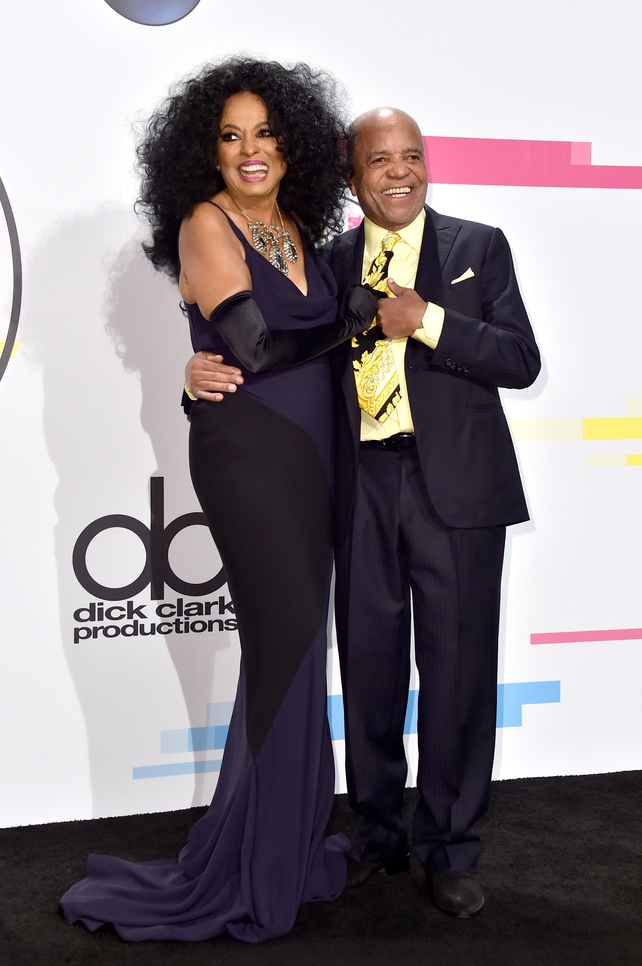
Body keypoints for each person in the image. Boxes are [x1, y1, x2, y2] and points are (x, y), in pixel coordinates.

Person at [186, 106, 541, 919]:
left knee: (456, 678)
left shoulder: (477, 247)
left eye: (412, 156)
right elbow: (277, 351)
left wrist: (430, 321)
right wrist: (193, 371)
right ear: (353, 178)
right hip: (356, 488)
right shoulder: (331, 260)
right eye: (380, 160)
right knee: (371, 673)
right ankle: (378, 835)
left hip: (457, 490)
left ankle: (450, 847)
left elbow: (521, 359)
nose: (400, 172)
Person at [59, 58, 378, 943]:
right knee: (284, 644)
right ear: (205, 151)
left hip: (314, 453)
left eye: (266, 133)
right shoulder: (208, 222)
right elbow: (259, 345)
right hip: (252, 456)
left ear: (294, 145)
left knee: (297, 646)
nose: (250, 150)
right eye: (231, 135)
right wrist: (355, 312)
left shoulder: (298, 230)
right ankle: (254, 864)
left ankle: (278, 839)